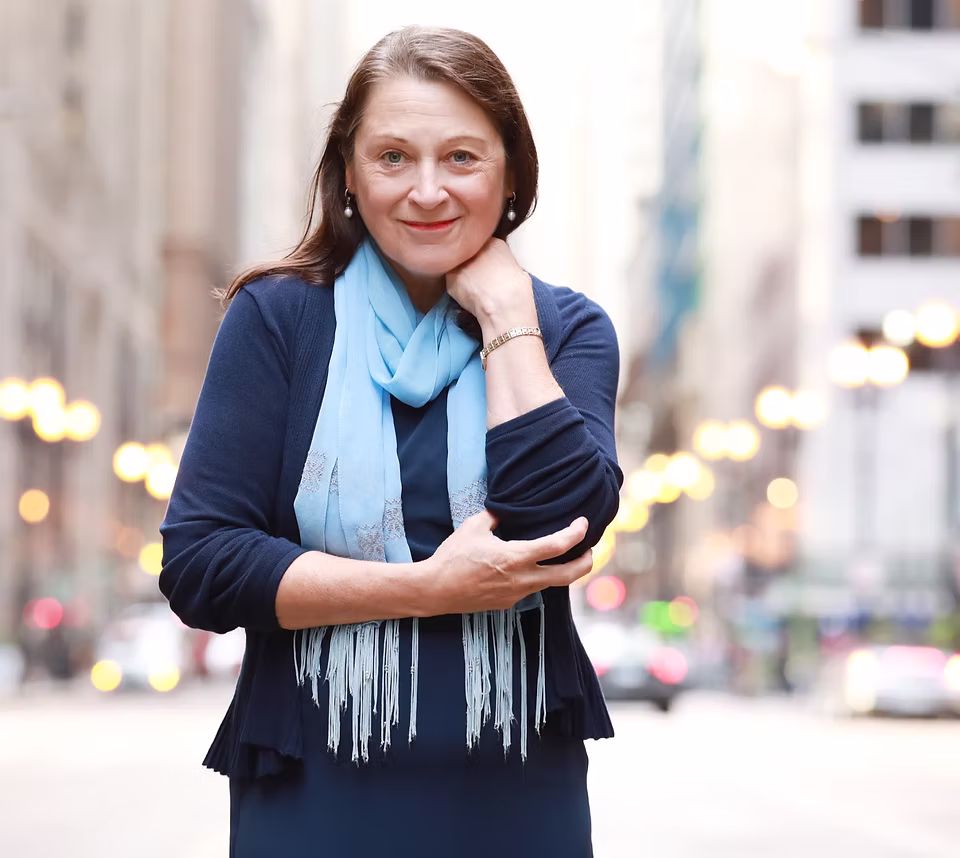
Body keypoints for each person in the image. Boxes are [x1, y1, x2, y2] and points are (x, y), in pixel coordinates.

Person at [159, 25, 622, 857]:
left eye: (462, 158)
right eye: (393, 157)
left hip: (518, 790)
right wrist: (429, 589)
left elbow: (560, 523)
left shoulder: (566, 329)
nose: (427, 191)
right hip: (315, 789)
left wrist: (507, 318)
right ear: (349, 173)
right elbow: (203, 563)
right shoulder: (278, 320)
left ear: (512, 173)